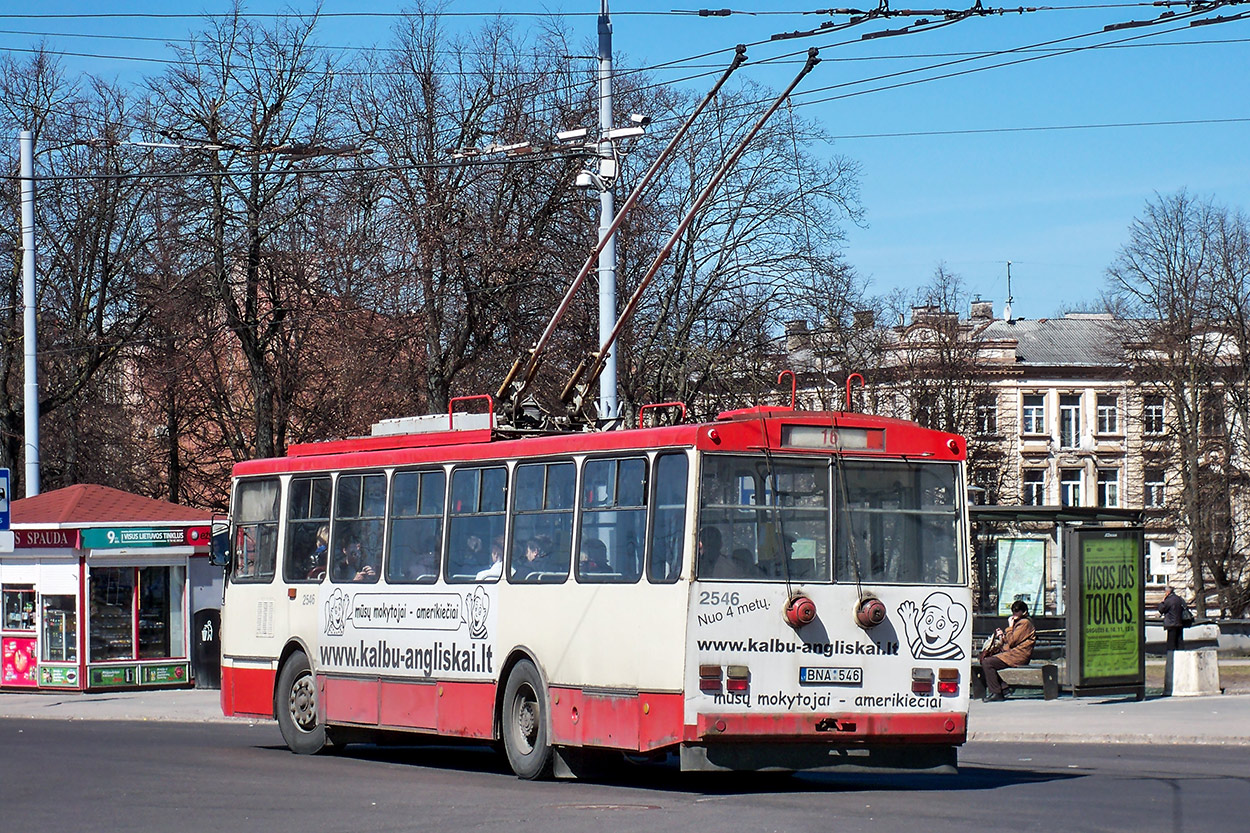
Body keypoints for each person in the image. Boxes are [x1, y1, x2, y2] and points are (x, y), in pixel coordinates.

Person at [979, 599, 1036, 702]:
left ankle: (997, 692)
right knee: (986, 660)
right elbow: (1012, 640)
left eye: (1017, 611)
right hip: (1013, 654)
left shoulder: (1024, 623)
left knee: (987, 663)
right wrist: (1002, 635)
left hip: (1018, 656)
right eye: (1013, 611)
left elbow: (1012, 641)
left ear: (1024, 611)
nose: (1014, 613)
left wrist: (1009, 627)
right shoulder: (1020, 622)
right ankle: (1004, 688)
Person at [1158, 585, 1190, 652]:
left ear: (1167, 592)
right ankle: (1181, 656)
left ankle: (1171, 658)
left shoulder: (1168, 600)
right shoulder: (1179, 599)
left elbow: (1161, 609)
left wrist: (1162, 601)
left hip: (1171, 624)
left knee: (1171, 644)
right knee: (1179, 642)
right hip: (1180, 623)